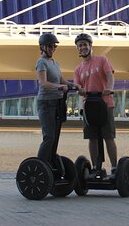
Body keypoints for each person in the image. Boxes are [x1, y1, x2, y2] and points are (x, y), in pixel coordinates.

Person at [73, 33, 118, 175]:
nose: (83, 47)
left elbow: (110, 75)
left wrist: (109, 89)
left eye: (85, 44)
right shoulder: (78, 69)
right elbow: (77, 86)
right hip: (89, 106)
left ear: (90, 46)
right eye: (80, 45)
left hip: (105, 104)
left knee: (108, 136)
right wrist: (80, 91)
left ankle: (115, 167)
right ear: (78, 49)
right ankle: (95, 168)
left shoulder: (102, 60)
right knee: (92, 138)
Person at [35, 33, 74, 162]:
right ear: (42, 47)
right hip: (46, 103)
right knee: (49, 136)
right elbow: (43, 83)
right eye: (50, 46)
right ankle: (40, 164)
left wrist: (75, 85)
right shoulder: (41, 62)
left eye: (54, 46)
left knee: (55, 136)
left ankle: (50, 161)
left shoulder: (55, 63)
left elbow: (63, 81)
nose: (52, 49)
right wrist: (59, 87)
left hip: (57, 102)